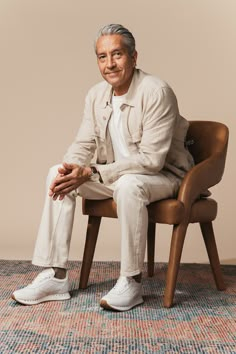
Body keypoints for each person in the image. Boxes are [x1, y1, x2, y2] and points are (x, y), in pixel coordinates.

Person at [12, 24, 194, 311]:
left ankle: (131, 282)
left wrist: (94, 172)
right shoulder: (96, 95)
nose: (109, 64)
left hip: (162, 177)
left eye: (117, 54)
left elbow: (151, 160)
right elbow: (83, 144)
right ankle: (55, 276)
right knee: (55, 173)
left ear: (134, 58)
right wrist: (70, 168)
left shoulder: (156, 91)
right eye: (102, 57)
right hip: (115, 176)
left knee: (129, 184)